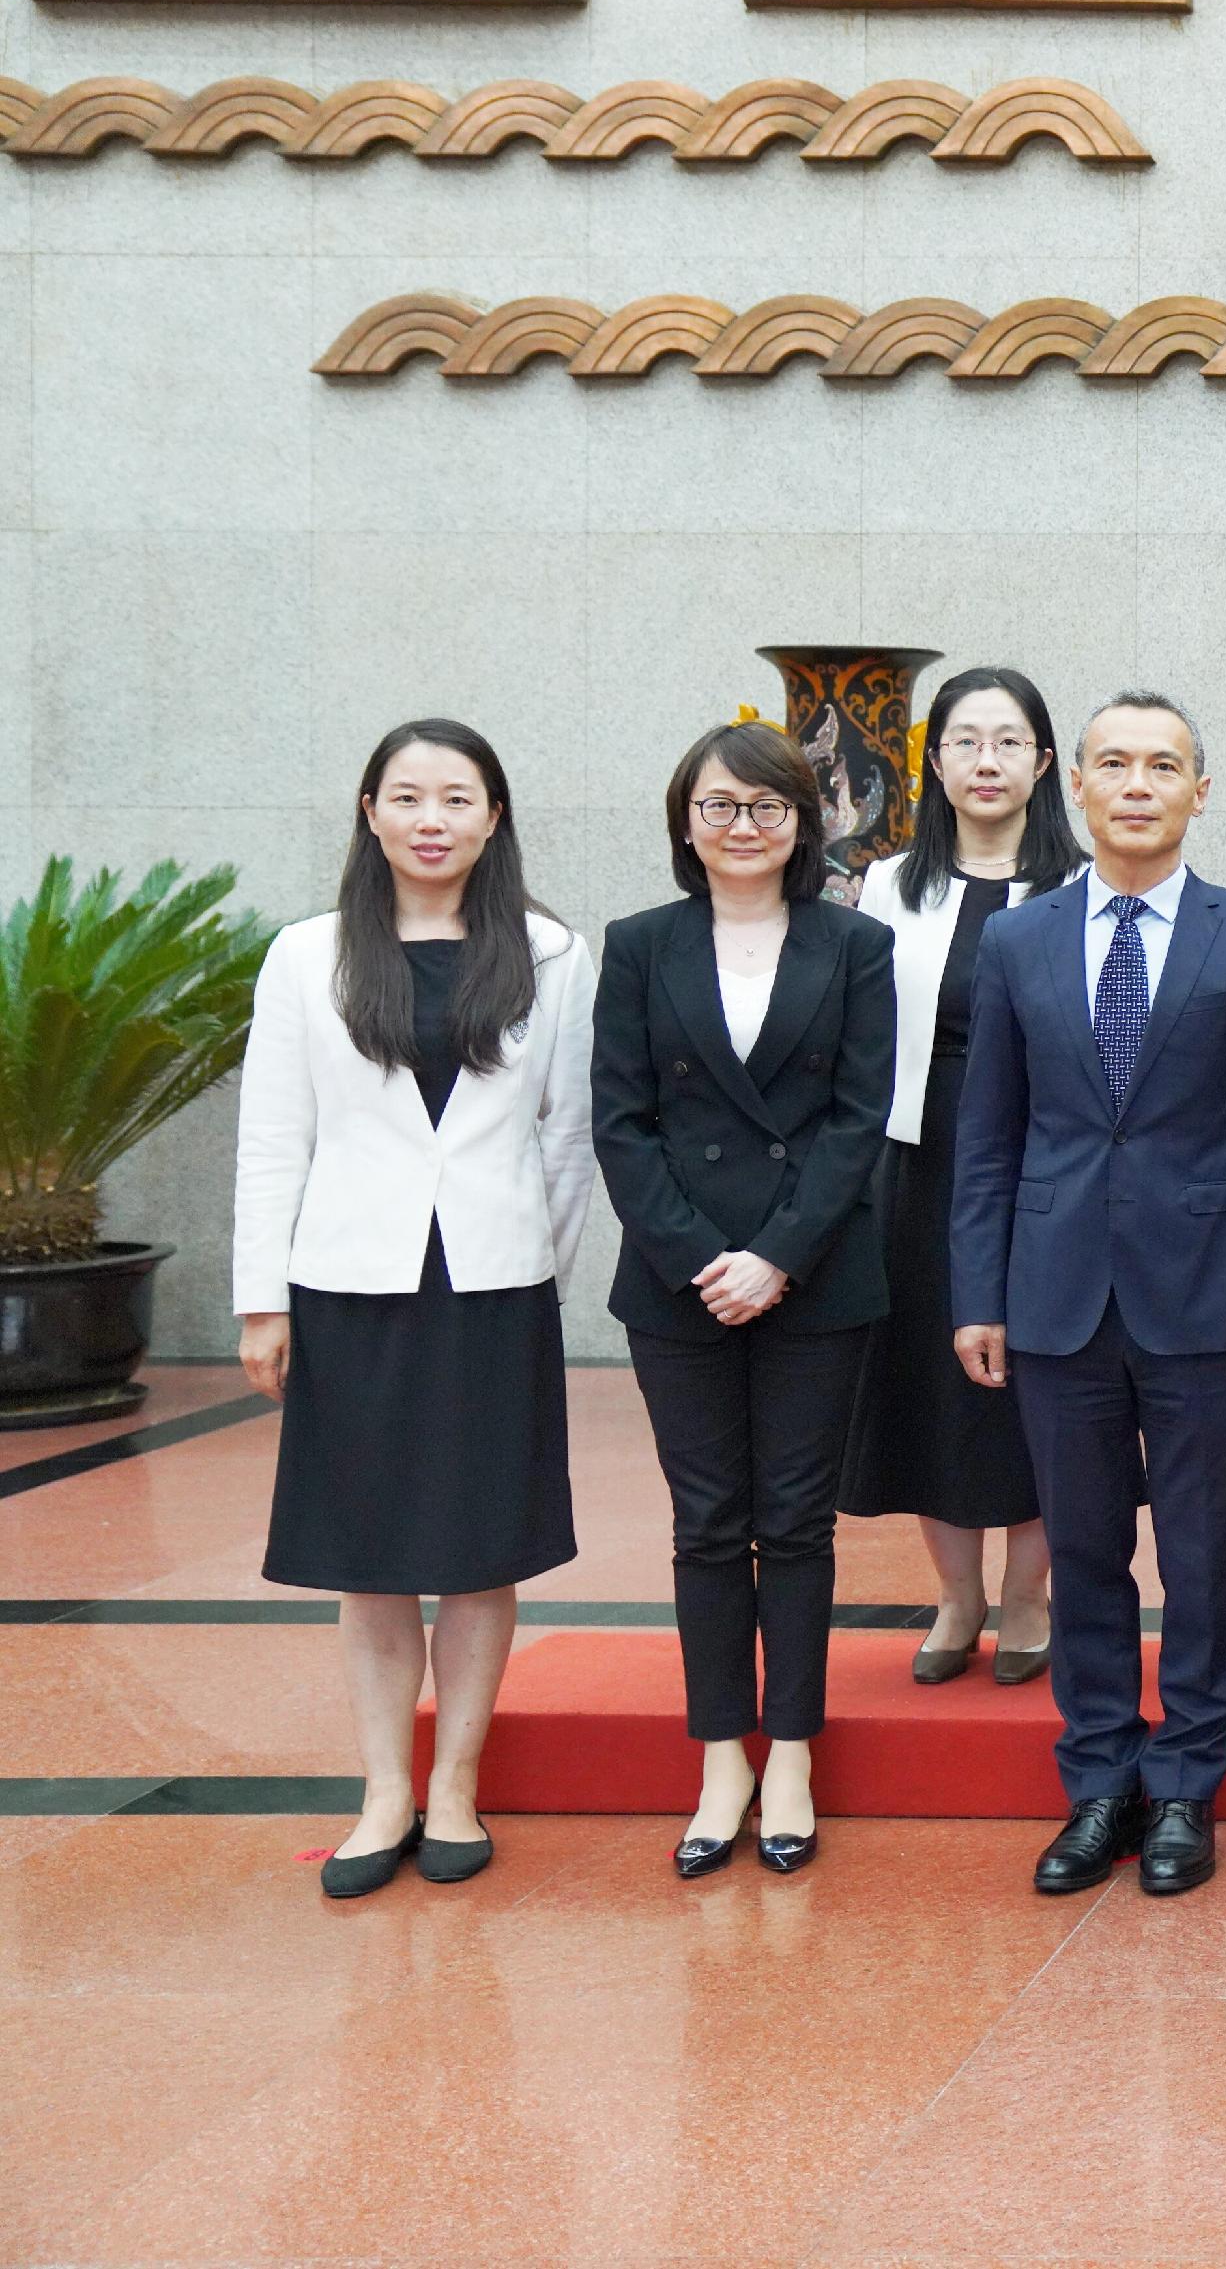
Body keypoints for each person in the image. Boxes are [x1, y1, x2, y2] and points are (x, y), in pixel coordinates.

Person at [950, 692, 1226, 1900]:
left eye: (1165, 766)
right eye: (1115, 764)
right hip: (1053, 1295)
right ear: (1081, 787)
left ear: (1200, 792)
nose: (1139, 784)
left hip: (1205, 1298)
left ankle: (1187, 1782)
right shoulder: (1017, 942)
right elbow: (987, 1141)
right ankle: (1100, 1777)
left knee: (1200, 1552)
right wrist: (977, 1295)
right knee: (1087, 1551)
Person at [234, 719, 594, 1898]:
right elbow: (275, 1135)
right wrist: (262, 1298)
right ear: (370, 812)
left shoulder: (546, 954)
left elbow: (565, 1134)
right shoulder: (307, 955)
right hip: (350, 1284)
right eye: (408, 796)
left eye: (457, 797)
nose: (431, 818)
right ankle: (384, 1788)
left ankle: (455, 1786)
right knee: (372, 1553)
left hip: (491, 1287)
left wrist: (530, 1253)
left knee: (482, 1547)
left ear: (494, 817)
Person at [591, 722, 898, 1878]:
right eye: (720, 807)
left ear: (801, 826)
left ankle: (794, 1755)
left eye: (767, 809)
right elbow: (620, 1122)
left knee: (796, 1523)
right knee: (708, 1522)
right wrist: (700, 1257)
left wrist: (775, 1254)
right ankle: (722, 1753)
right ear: (686, 822)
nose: (743, 828)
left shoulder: (855, 948)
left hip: (816, 1279)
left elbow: (857, 1122)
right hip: (679, 1288)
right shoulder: (638, 946)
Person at [842, 665, 1080, 1689]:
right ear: (932, 762)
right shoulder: (891, 883)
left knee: (1036, 1376)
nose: (986, 761)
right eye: (964, 741)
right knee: (931, 1378)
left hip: (1045, 1161)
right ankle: (956, 1596)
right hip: (919, 1153)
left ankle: (1029, 1595)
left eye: (1008, 741)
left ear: (1042, 762)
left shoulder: (1081, 882)